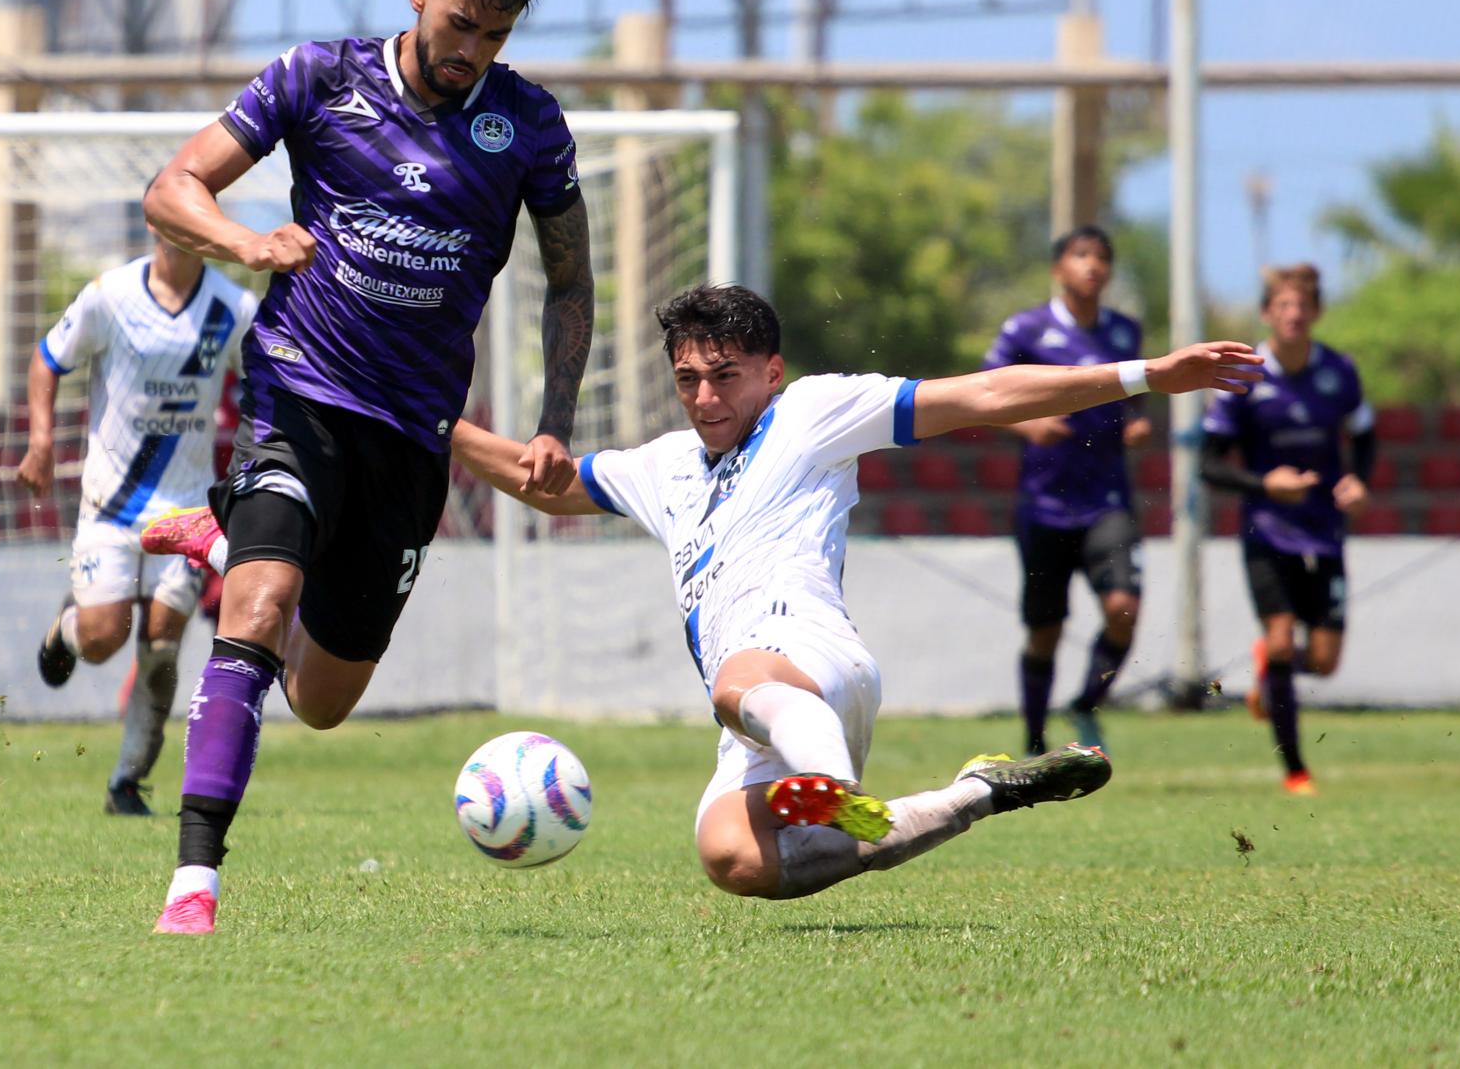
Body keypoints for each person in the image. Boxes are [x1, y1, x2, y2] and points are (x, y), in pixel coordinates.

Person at [451, 284, 1261, 902]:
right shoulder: (661, 466)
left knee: (739, 679)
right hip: (762, 714)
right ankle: (974, 793)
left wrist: (1148, 374)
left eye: (725, 377)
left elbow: (980, 396)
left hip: (809, 656)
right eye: (688, 379)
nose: (704, 399)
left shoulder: (812, 411)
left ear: (770, 371)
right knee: (731, 856)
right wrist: (427, 423)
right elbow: (544, 484)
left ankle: (833, 787)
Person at [133, 0, 594, 935]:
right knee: (255, 607)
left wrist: (553, 420)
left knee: (323, 700)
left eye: (496, 36)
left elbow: (571, 281)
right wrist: (246, 242)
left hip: (411, 437)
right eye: (462, 23)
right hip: (296, 395)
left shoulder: (528, 125)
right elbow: (172, 189)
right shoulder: (318, 76)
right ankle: (193, 886)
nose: (471, 52)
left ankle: (221, 537)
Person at [17, 235, 257, 816]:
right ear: (156, 228)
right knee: (105, 637)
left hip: (185, 510)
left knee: (161, 646)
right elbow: (49, 359)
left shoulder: (232, 309)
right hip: (110, 504)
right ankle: (68, 629)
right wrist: (42, 440)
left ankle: (127, 783)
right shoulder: (109, 296)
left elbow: (267, 382)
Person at [1201, 264, 1376, 797]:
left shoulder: (1339, 372)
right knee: (1281, 642)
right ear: (1267, 314)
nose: (1294, 315)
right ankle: (1296, 770)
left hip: (1324, 530)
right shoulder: (1244, 376)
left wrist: (1358, 482)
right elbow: (1208, 463)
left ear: (1316, 313)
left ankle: (1266, 669)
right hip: (1267, 530)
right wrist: (1263, 483)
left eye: (1303, 306)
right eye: (1283, 306)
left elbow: (1365, 437)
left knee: (1323, 662)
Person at [982, 225, 1152, 754]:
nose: (1093, 266)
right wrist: (1027, 425)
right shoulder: (1027, 329)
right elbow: (984, 395)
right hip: (1045, 504)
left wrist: (1138, 425)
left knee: (1123, 610)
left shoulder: (1124, 332)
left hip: (1107, 502)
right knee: (1045, 631)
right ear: (1059, 269)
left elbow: (1137, 400)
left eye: (1102, 257)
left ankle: (1085, 705)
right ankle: (1034, 741)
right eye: (1081, 256)